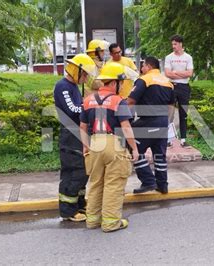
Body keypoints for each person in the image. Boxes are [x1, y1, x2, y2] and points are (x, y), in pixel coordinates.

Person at [80, 62, 139, 232]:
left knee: (95, 183)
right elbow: (126, 127)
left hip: (94, 144)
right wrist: (134, 148)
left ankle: (92, 220)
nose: (122, 86)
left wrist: (85, 146)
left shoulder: (88, 100)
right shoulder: (118, 101)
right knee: (114, 183)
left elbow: (83, 127)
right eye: (121, 83)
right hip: (114, 143)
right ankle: (111, 222)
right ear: (114, 83)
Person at [53, 53, 96, 222]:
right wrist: (88, 106)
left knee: (83, 170)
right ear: (75, 70)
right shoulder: (62, 86)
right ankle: (67, 211)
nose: (85, 78)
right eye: (84, 73)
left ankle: (79, 204)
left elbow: (79, 108)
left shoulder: (73, 87)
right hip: (70, 135)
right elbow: (72, 110)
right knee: (73, 172)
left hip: (79, 134)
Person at [128, 56, 175, 194]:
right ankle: (162, 185)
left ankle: (148, 181)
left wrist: (122, 117)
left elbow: (130, 101)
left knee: (134, 148)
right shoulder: (168, 83)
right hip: (163, 122)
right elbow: (171, 106)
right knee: (159, 155)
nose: (141, 69)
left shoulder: (144, 80)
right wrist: (167, 123)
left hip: (147, 121)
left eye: (142, 66)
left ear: (148, 66)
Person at [164, 34, 193, 147]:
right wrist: (182, 74)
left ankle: (183, 139)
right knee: (169, 114)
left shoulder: (188, 57)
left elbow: (189, 73)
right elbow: (167, 73)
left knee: (183, 113)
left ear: (181, 44)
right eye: (172, 44)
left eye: (175, 44)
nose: (173, 46)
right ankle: (168, 139)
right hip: (171, 86)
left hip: (184, 87)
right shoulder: (169, 57)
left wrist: (175, 73)